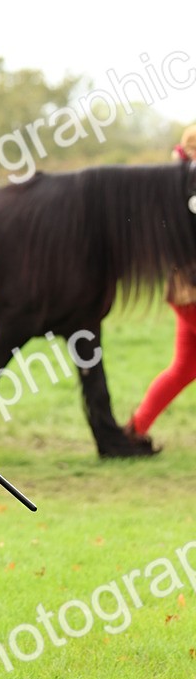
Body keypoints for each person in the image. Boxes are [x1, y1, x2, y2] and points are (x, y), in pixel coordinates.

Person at [124, 124, 196, 450]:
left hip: (182, 291)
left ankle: (135, 430)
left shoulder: (172, 180)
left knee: (183, 368)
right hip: (190, 289)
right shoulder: (186, 185)